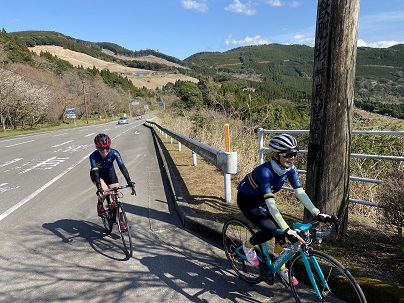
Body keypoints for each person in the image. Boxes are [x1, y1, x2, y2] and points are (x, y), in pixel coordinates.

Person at [236, 134, 333, 285]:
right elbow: (271, 204)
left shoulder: (290, 169)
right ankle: (247, 247)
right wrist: (287, 229)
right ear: (276, 155)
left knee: (281, 237)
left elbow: (300, 192)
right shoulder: (264, 172)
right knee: (271, 230)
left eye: (295, 154)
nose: (292, 158)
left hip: (262, 200)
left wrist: (317, 213)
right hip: (247, 201)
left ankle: (280, 267)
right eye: (288, 155)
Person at [89, 133, 136, 230]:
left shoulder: (114, 153)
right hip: (98, 175)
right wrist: (99, 187)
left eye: (107, 148)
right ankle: (100, 204)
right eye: (102, 149)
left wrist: (129, 181)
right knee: (104, 191)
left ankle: (121, 221)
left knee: (116, 194)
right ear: (97, 148)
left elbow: (122, 167)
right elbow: (95, 172)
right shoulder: (93, 156)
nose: (105, 151)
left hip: (110, 173)